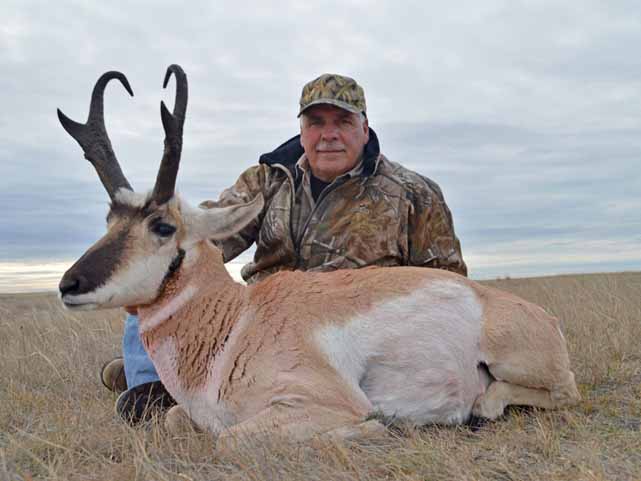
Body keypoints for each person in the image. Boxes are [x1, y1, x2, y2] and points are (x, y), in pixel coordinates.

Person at [101, 73, 468, 424]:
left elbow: (446, 284)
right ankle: (151, 385)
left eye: (343, 121)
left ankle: (180, 380)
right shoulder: (267, 179)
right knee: (159, 274)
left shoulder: (413, 193)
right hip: (262, 327)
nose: (329, 135)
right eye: (316, 123)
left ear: (365, 128)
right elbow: (207, 240)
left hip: (354, 331)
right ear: (302, 131)